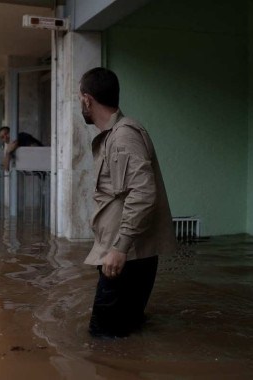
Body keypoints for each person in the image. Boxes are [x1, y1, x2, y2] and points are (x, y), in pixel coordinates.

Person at [79, 67, 177, 337]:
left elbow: (143, 192)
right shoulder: (116, 135)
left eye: (80, 100)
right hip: (128, 254)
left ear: (87, 99)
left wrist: (119, 247)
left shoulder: (123, 136)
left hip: (124, 256)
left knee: (101, 339)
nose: (81, 105)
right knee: (124, 335)